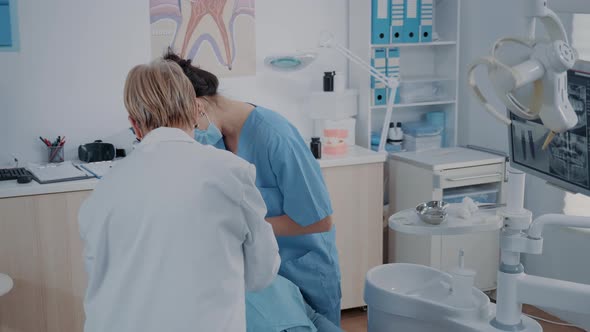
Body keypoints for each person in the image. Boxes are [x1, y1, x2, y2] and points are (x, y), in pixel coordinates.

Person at [78, 60, 280, 332]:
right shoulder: (231, 172)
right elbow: (261, 273)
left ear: (134, 125)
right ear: (196, 110)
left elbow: (99, 277)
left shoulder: (103, 191)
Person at [163, 50, 342, 326]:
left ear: (198, 107)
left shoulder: (275, 136)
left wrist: (248, 227)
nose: (191, 136)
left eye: (187, 126)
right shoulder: (217, 141)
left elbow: (320, 220)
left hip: (303, 270)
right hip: (261, 274)